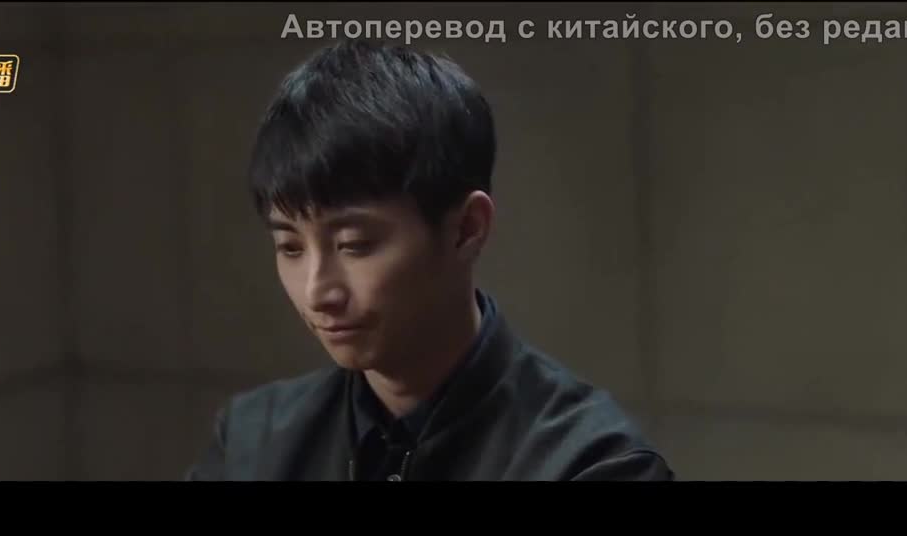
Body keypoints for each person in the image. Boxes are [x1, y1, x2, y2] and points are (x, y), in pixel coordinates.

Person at [184, 39, 673, 481]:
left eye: (354, 244)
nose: (317, 292)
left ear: (466, 229)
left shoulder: (590, 463)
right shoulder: (252, 441)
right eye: (290, 247)